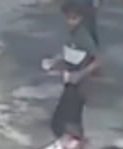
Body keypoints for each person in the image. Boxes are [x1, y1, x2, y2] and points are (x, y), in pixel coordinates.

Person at [42, 1, 101, 141]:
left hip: (80, 85)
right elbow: (67, 52)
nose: (70, 21)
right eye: (68, 18)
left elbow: (98, 60)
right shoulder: (70, 33)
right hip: (69, 81)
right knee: (68, 119)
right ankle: (72, 146)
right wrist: (54, 61)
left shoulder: (84, 36)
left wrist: (80, 75)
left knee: (66, 121)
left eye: (74, 18)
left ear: (81, 18)